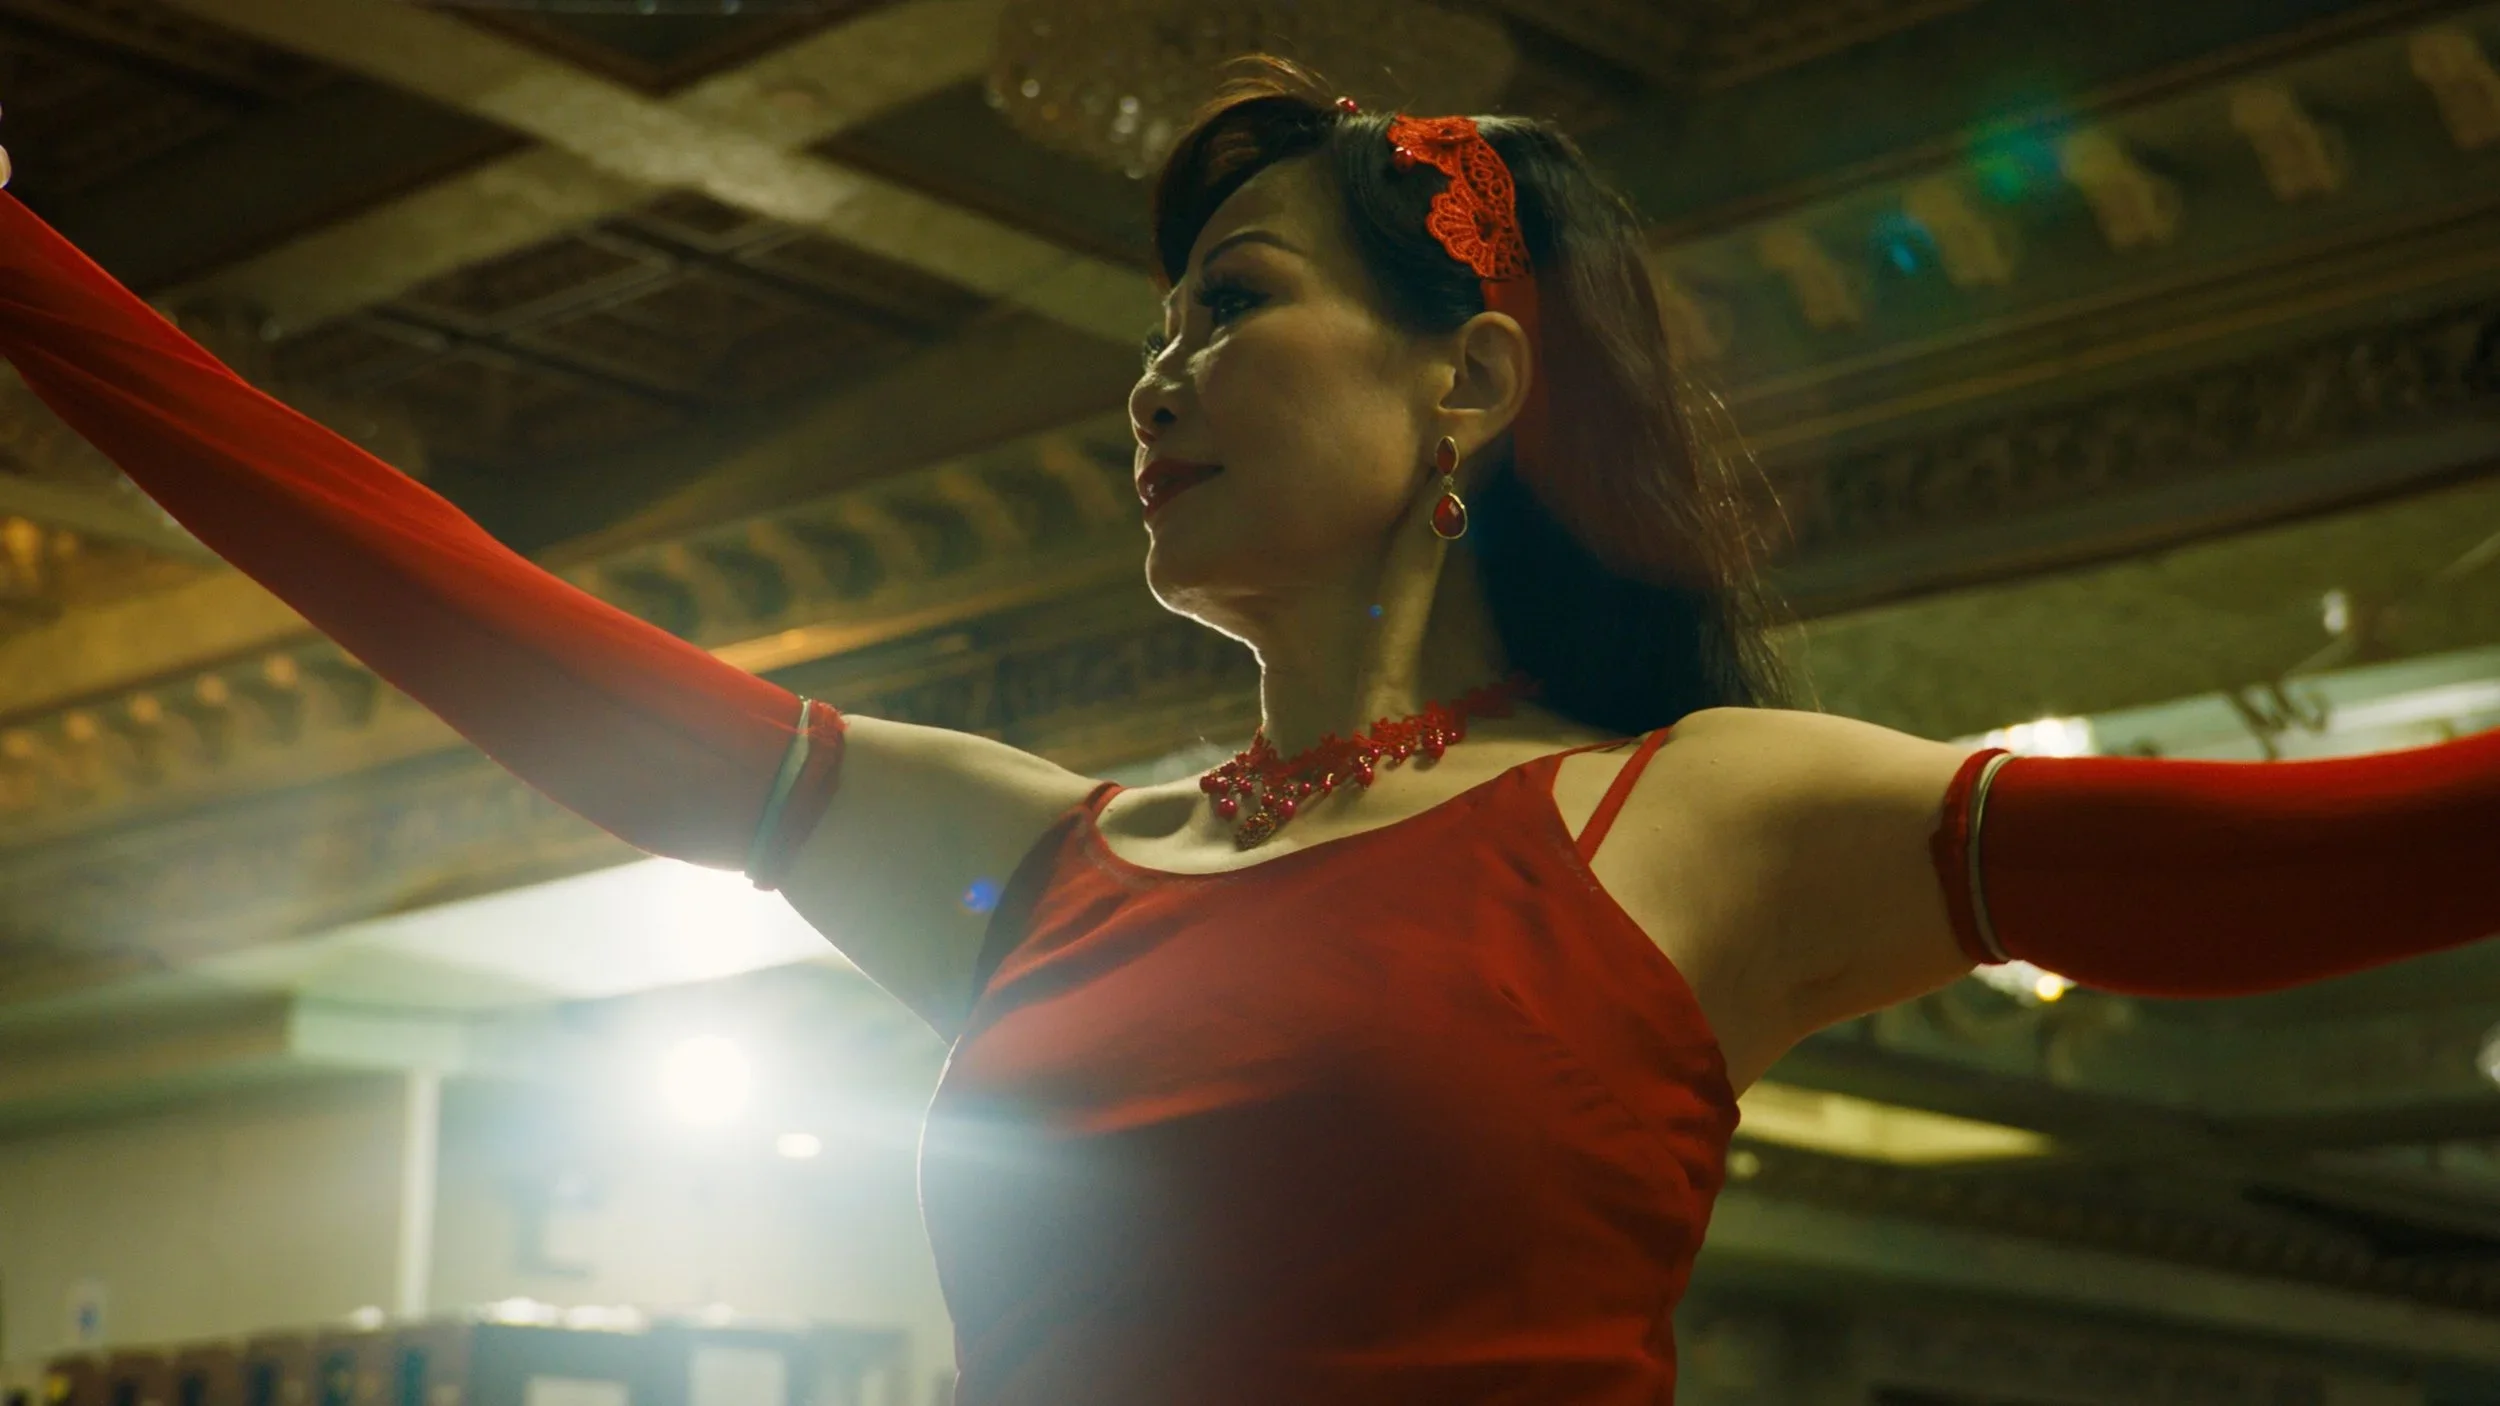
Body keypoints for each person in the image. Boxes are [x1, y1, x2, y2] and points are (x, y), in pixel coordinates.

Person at [1, 60, 2495, 1406]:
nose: (1153, 374)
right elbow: (487, 633)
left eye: (1228, 302)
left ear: (1466, 382)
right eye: (1158, 325)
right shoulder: (1032, 855)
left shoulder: (1697, 813)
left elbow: (2332, 854)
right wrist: (24, 278)